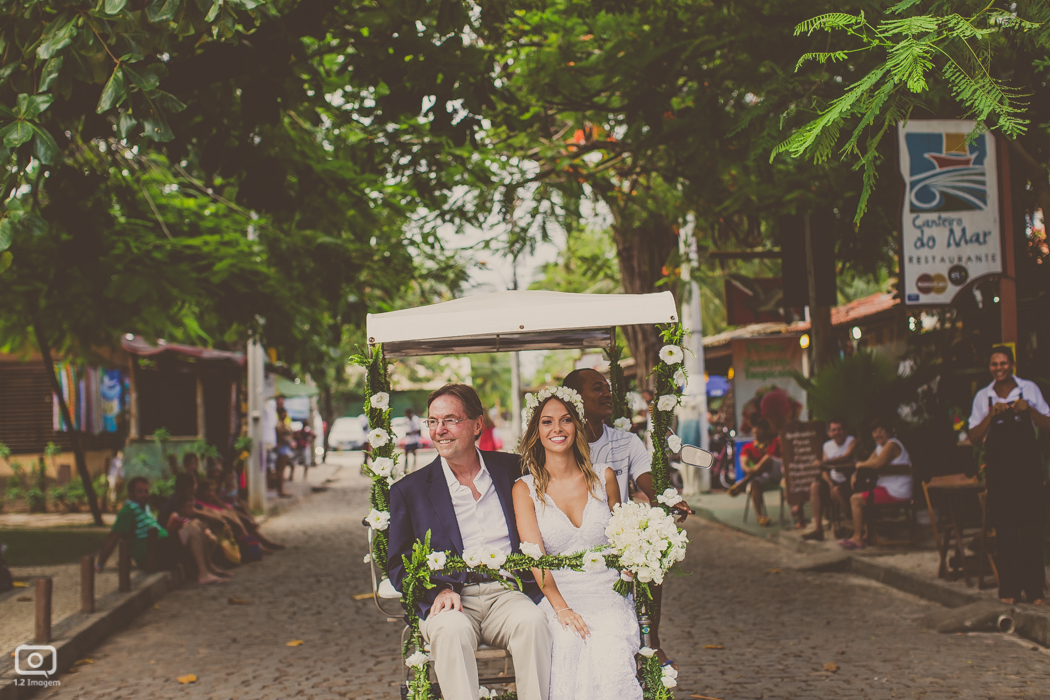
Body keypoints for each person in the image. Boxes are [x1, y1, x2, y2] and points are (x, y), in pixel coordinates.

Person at [387, 384, 552, 700]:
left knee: (533, 622)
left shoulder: (513, 469)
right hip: (449, 598)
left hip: (507, 591)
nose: (440, 430)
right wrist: (437, 591)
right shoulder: (410, 491)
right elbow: (398, 565)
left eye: (450, 420)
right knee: (451, 631)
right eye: (433, 421)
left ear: (477, 425)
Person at [513, 388, 642, 700]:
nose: (557, 428)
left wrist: (631, 567)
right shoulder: (525, 489)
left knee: (609, 641)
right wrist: (562, 609)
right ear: (536, 432)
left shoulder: (604, 477)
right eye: (547, 422)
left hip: (608, 591)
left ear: (577, 426)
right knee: (568, 639)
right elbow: (536, 560)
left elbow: (625, 537)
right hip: (559, 592)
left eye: (565, 420)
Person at [562, 368, 690, 669]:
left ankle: (652, 642)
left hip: (616, 538)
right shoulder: (559, 442)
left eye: (607, 387)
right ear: (576, 399)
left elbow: (649, 483)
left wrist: (671, 499)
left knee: (652, 547)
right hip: (572, 538)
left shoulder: (626, 441)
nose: (607, 394)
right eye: (597, 388)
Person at [967, 346, 1050, 605]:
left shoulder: (1029, 389)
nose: (999, 368)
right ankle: (1009, 591)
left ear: (1012, 364)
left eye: (1003, 363)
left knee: (1030, 530)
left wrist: (1030, 410)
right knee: (1004, 531)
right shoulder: (983, 396)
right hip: (1000, 473)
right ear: (989, 367)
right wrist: (991, 416)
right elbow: (974, 437)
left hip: (1027, 472)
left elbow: (1047, 423)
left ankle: (1036, 592)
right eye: (994, 364)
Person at [96, 476, 225, 585]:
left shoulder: (144, 508)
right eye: (139, 492)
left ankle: (209, 568)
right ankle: (204, 574)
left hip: (162, 547)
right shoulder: (127, 511)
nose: (144, 495)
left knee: (199, 525)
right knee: (192, 529)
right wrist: (100, 564)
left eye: (146, 491)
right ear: (131, 494)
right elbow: (113, 537)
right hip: (152, 554)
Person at [838, 419, 913, 550]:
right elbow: (869, 462)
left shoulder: (892, 445)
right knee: (860, 492)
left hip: (896, 491)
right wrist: (856, 473)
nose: (877, 435)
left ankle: (858, 538)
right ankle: (870, 534)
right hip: (887, 488)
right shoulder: (880, 447)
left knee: (855, 500)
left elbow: (877, 464)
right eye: (874, 432)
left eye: (881, 431)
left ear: (889, 432)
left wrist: (858, 465)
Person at [803, 419, 857, 541]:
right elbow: (824, 470)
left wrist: (825, 462)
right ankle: (818, 529)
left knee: (838, 490)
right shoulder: (827, 445)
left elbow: (846, 457)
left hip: (849, 480)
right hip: (834, 480)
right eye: (834, 430)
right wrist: (830, 483)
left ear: (845, 431)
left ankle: (851, 521)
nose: (837, 432)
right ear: (829, 433)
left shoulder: (851, 441)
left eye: (839, 429)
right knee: (815, 487)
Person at [729, 419, 783, 527]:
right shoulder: (748, 447)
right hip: (763, 476)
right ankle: (760, 517)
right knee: (755, 483)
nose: (756, 430)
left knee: (768, 459)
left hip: (779, 472)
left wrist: (756, 469)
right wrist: (749, 470)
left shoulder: (776, 442)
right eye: (754, 428)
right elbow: (743, 463)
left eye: (759, 428)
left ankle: (744, 482)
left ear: (766, 430)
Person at [165, 493, 231, 580]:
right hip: (177, 546)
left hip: (190, 545)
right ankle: (204, 572)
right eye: (189, 507)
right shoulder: (175, 516)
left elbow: (215, 520)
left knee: (211, 539)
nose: (192, 509)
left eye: (193, 506)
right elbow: (168, 532)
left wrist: (197, 512)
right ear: (181, 508)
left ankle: (210, 567)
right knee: (196, 527)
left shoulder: (192, 518)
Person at [275, 407, 295, 497]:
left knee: (282, 470)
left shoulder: (284, 424)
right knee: (280, 470)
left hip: (285, 448)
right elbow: (282, 436)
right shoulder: (279, 425)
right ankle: (280, 490)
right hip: (282, 448)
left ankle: (281, 489)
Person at [403, 407, 423, 472]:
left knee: (414, 453)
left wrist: (411, 432)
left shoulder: (415, 419)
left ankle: (414, 467)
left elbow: (418, 429)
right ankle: (406, 468)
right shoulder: (406, 419)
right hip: (408, 440)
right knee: (406, 453)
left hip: (414, 439)